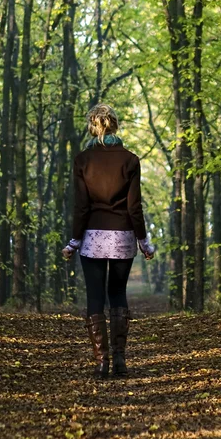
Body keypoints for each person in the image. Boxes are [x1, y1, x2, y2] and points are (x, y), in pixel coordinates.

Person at [62, 104, 155, 379]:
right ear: (114, 125)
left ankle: (102, 362)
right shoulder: (130, 160)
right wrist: (143, 241)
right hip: (123, 237)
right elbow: (134, 207)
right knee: (117, 294)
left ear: (92, 126)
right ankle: (120, 360)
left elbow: (81, 207)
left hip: (92, 238)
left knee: (95, 296)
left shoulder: (82, 161)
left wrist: (74, 241)